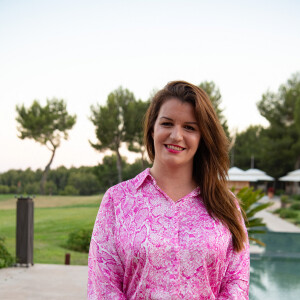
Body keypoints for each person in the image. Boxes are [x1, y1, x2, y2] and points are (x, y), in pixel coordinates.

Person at [88, 81, 250, 299]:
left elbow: (236, 284)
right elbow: (103, 286)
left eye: (190, 127)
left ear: (202, 137)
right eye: (167, 123)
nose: (176, 136)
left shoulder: (226, 204)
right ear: (152, 128)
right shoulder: (117, 200)